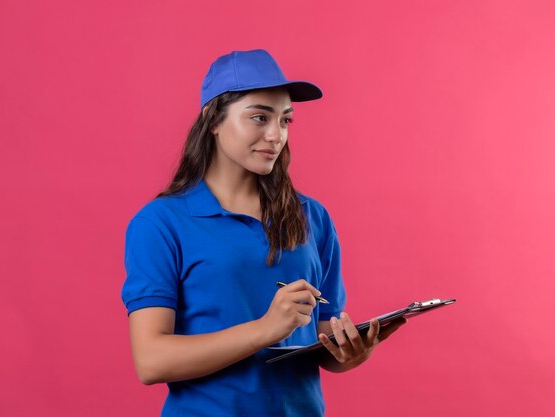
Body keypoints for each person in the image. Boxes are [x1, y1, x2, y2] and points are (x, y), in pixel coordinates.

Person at [121, 49, 406, 417]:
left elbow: (322, 341)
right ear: (213, 120)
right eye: (259, 117)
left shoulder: (311, 217)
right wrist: (266, 329)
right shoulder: (160, 223)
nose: (275, 135)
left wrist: (352, 353)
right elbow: (151, 361)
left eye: (286, 120)